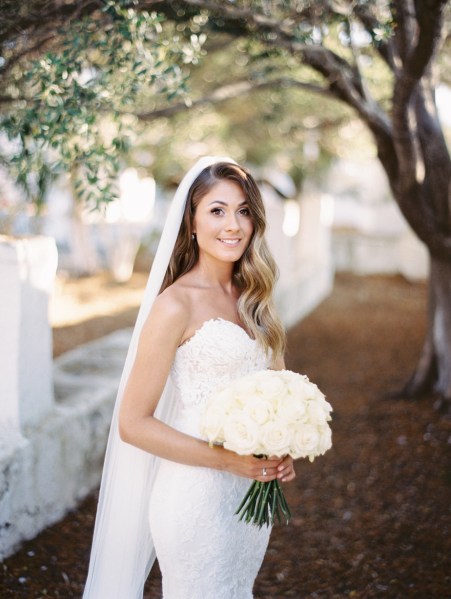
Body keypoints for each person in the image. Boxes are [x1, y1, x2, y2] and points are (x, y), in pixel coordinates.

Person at [83, 156, 296, 599]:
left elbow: (273, 391)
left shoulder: (254, 299)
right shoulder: (174, 306)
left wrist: (278, 448)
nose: (233, 224)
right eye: (217, 210)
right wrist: (228, 460)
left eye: (243, 211)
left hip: (247, 496)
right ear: (192, 223)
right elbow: (133, 424)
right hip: (194, 498)